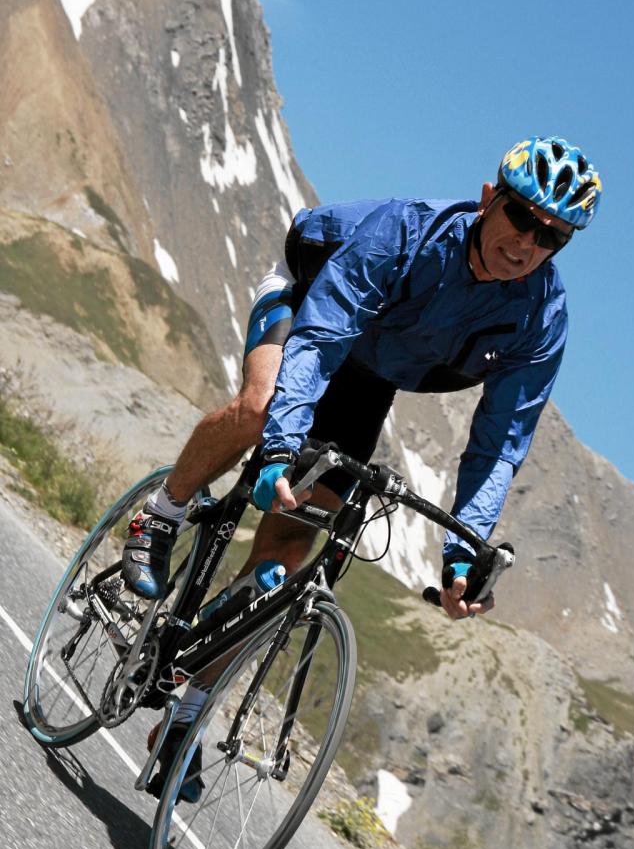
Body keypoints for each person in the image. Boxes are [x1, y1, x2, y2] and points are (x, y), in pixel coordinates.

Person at [123, 135, 601, 797]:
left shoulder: (541, 317)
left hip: (371, 374)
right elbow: (319, 340)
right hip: (308, 300)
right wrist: (285, 444)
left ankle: (186, 716)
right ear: (490, 201)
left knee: (286, 557)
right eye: (521, 217)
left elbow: (499, 441)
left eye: (552, 236)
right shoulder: (404, 233)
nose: (527, 242)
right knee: (263, 407)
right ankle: (162, 513)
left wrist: (463, 556)